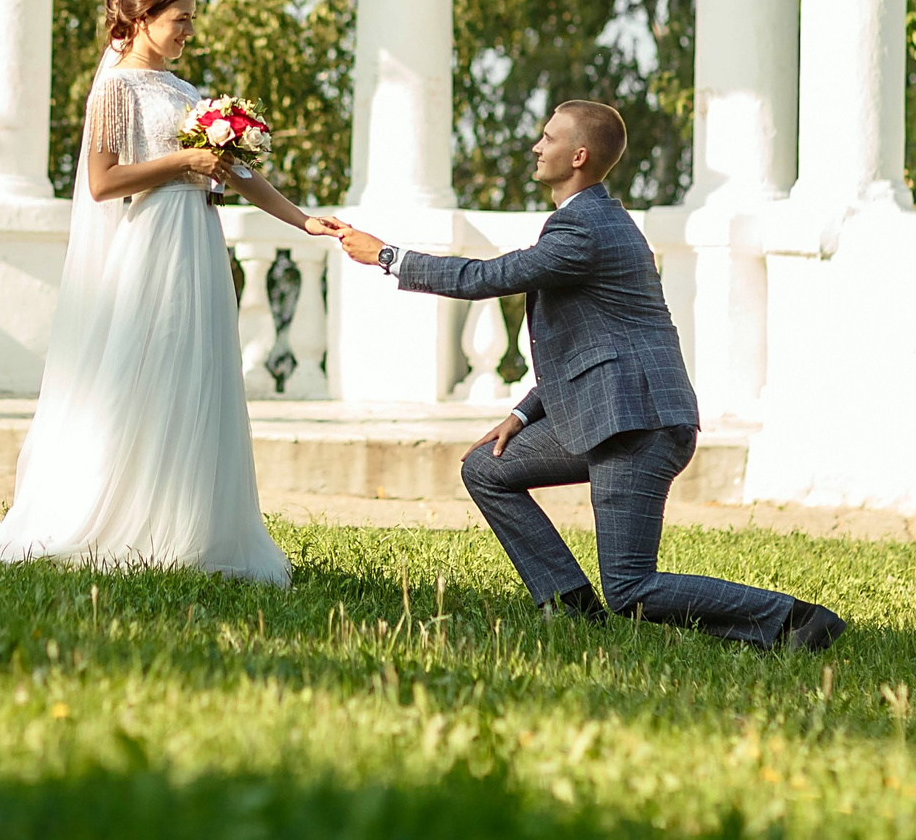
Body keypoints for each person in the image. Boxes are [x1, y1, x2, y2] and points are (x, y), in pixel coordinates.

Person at [313, 102, 846, 651]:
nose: (536, 147)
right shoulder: (591, 220)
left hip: (636, 425)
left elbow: (488, 277)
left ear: (579, 155)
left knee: (633, 588)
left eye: (548, 138)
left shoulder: (584, 228)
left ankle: (795, 622)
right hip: (605, 414)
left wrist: (387, 255)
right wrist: (521, 415)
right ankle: (571, 608)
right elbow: (591, 347)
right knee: (487, 469)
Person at [0, 0, 322, 586]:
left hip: (198, 245)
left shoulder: (188, 95)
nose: (188, 29)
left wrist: (303, 220)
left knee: (197, 372)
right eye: (179, 18)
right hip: (149, 246)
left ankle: (191, 525)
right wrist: (182, 159)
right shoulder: (115, 91)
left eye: (191, 18)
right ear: (142, 18)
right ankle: (120, 516)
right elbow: (102, 183)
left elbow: (236, 173)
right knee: (145, 372)